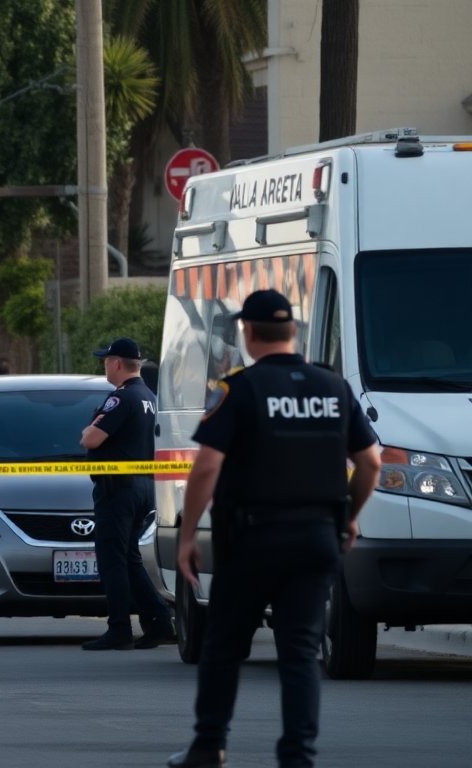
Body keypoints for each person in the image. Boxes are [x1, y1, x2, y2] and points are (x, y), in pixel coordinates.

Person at [167, 290, 381, 768]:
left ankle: (208, 746)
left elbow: (206, 469)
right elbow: (370, 462)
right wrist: (348, 516)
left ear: (247, 332)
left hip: (252, 541)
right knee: (300, 651)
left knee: (224, 645)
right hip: (316, 539)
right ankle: (297, 757)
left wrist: (186, 538)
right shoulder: (332, 388)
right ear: (291, 333)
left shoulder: (239, 389)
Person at [78, 337, 176, 651]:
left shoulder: (121, 398)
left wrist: (86, 430)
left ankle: (118, 629)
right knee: (130, 558)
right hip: (144, 485)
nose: (104, 365)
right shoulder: (149, 396)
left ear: (118, 363)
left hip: (118, 488)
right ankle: (160, 622)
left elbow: (91, 439)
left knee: (112, 560)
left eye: (106, 360)